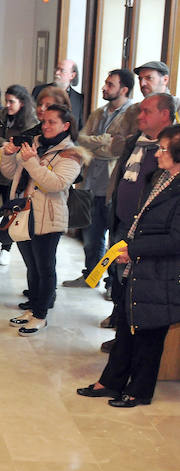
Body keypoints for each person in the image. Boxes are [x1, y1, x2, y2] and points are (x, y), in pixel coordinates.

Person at [76, 123, 180, 408]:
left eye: (162, 149)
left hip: (161, 273)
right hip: (138, 266)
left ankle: (140, 391)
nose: (157, 154)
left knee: (149, 334)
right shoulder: (160, 177)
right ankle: (111, 381)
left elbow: (175, 241)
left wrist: (133, 250)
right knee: (125, 325)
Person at [1, 104, 85, 335]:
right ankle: (33, 308)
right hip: (24, 213)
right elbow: (10, 174)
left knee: (45, 267)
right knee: (31, 267)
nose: (45, 126)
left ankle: (40, 315)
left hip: (49, 218)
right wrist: (8, 155)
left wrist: (31, 161)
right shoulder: (34, 143)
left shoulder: (72, 153)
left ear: (66, 126)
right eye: (44, 121)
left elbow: (55, 184)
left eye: (52, 122)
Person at [64, 69, 135, 288]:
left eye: (110, 84)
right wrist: (103, 141)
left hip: (114, 187)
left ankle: (112, 283)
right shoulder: (99, 112)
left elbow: (119, 149)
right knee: (91, 238)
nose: (104, 87)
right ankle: (90, 276)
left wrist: (99, 145)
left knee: (115, 239)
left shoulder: (132, 114)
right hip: (91, 184)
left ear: (123, 89)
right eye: (105, 83)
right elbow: (81, 140)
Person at [0, 84, 38, 266]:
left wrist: (8, 146)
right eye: (6, 100)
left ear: (22, 103)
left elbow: (25, 147)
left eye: (12, 101)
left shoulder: (30, 123)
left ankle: (6, 249)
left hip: (14, 177)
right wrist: (5, 144)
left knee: (10, 213)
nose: (7, 105)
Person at [32, 59, 85, 128]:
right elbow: (30, 117)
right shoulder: (39, 90)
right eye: (57, 69)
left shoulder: (79, 99)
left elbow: (79, 128)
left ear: (72, 75)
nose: (57, 73)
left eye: (62, 70)